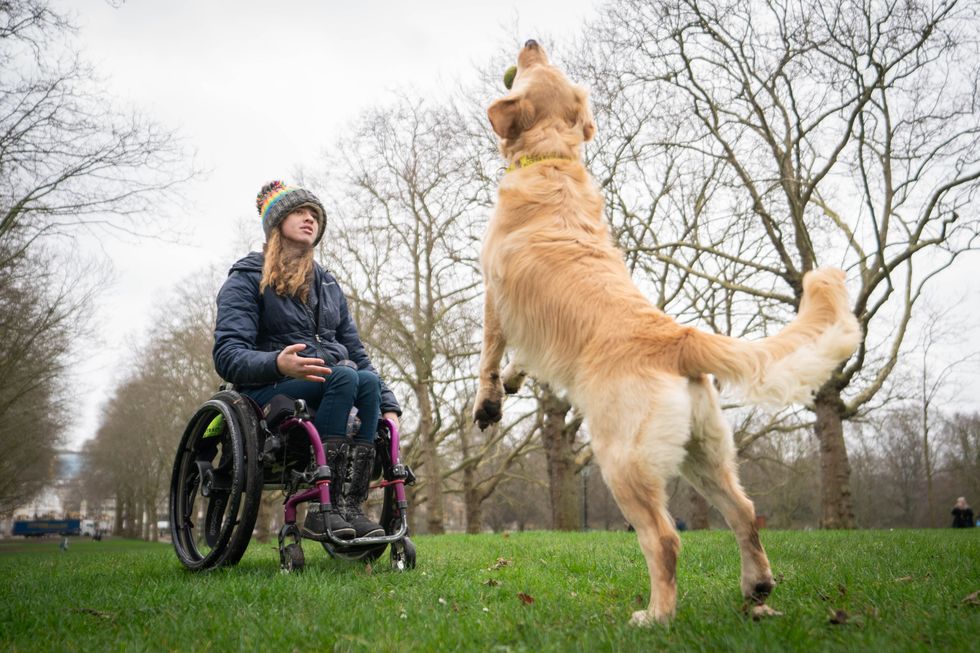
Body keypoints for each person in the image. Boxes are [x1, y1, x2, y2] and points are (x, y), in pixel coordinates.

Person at [214, 180, 402, 540]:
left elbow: (358, 353)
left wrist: (388, 405)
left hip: (334, 384)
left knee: (364, 380)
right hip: (269, 393)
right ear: (276, 224)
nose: (309, 219)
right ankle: (322, 509)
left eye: (314, 214)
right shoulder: (247, 279)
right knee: (346, 376)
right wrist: (278, 363)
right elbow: (227, 355)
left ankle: (348, 506)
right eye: (300, 212)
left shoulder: (329, 287)